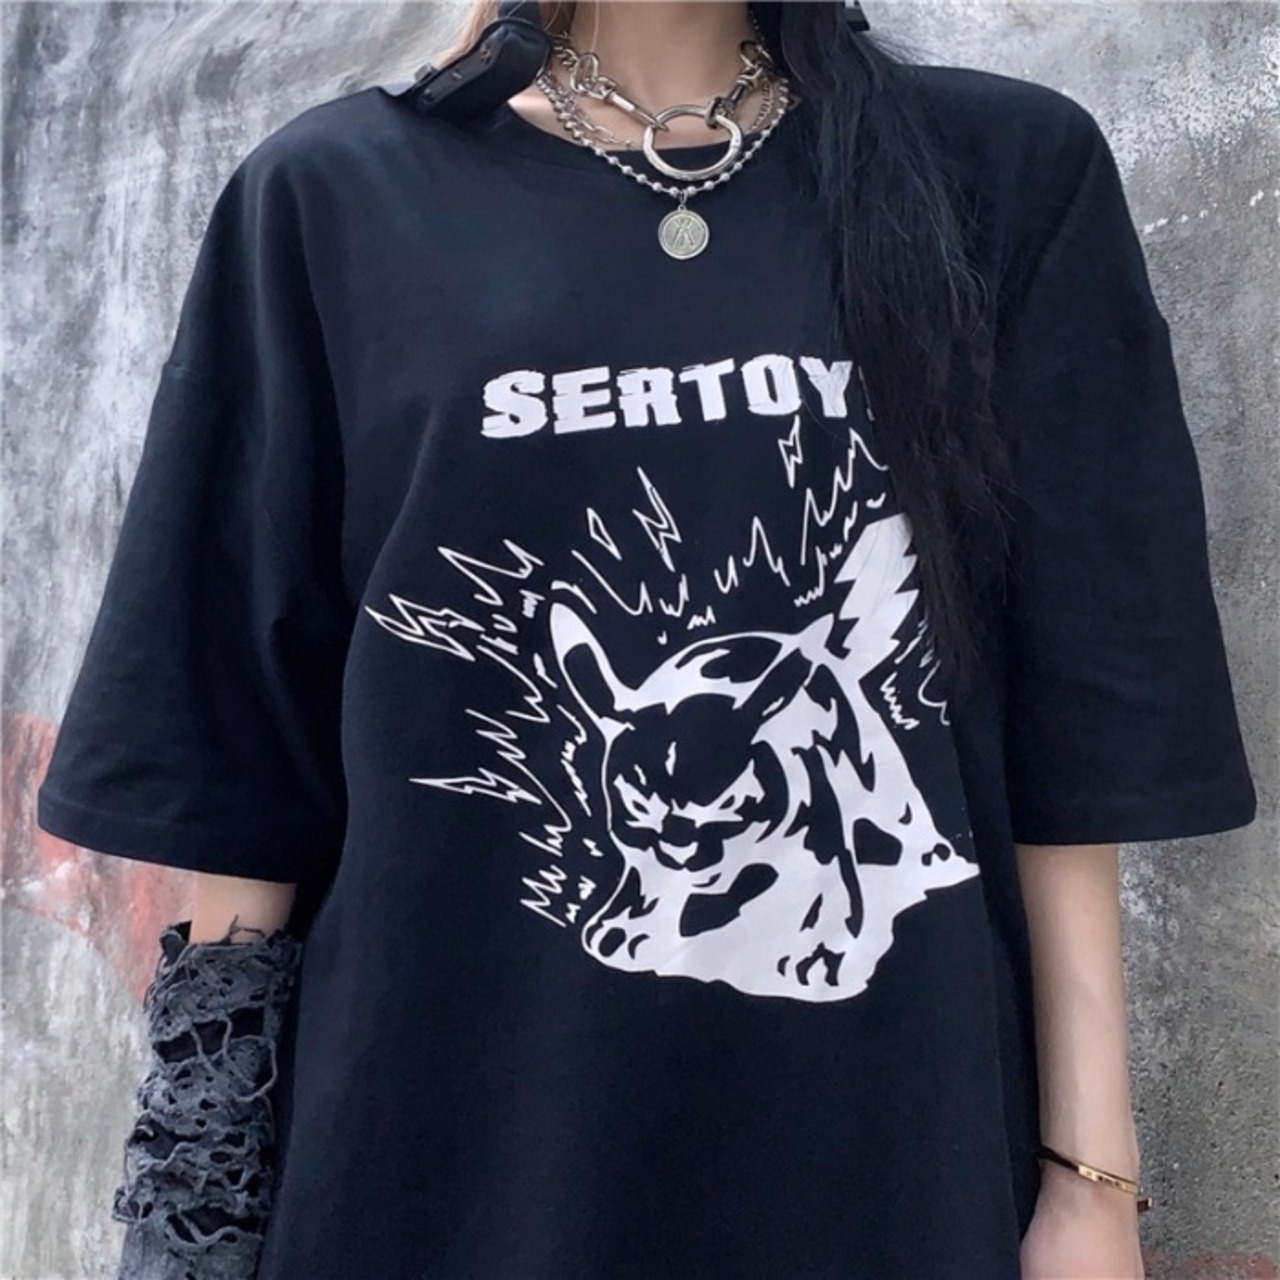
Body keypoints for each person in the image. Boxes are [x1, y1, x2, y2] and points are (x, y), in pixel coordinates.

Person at [36, 1, 1258, 1277]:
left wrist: (1089, 1182)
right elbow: (239, 769)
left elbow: (1078, 731)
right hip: (441, 1169)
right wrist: (195, 1209)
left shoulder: (1000, 168)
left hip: (891, 1156)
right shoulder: (331, 196)